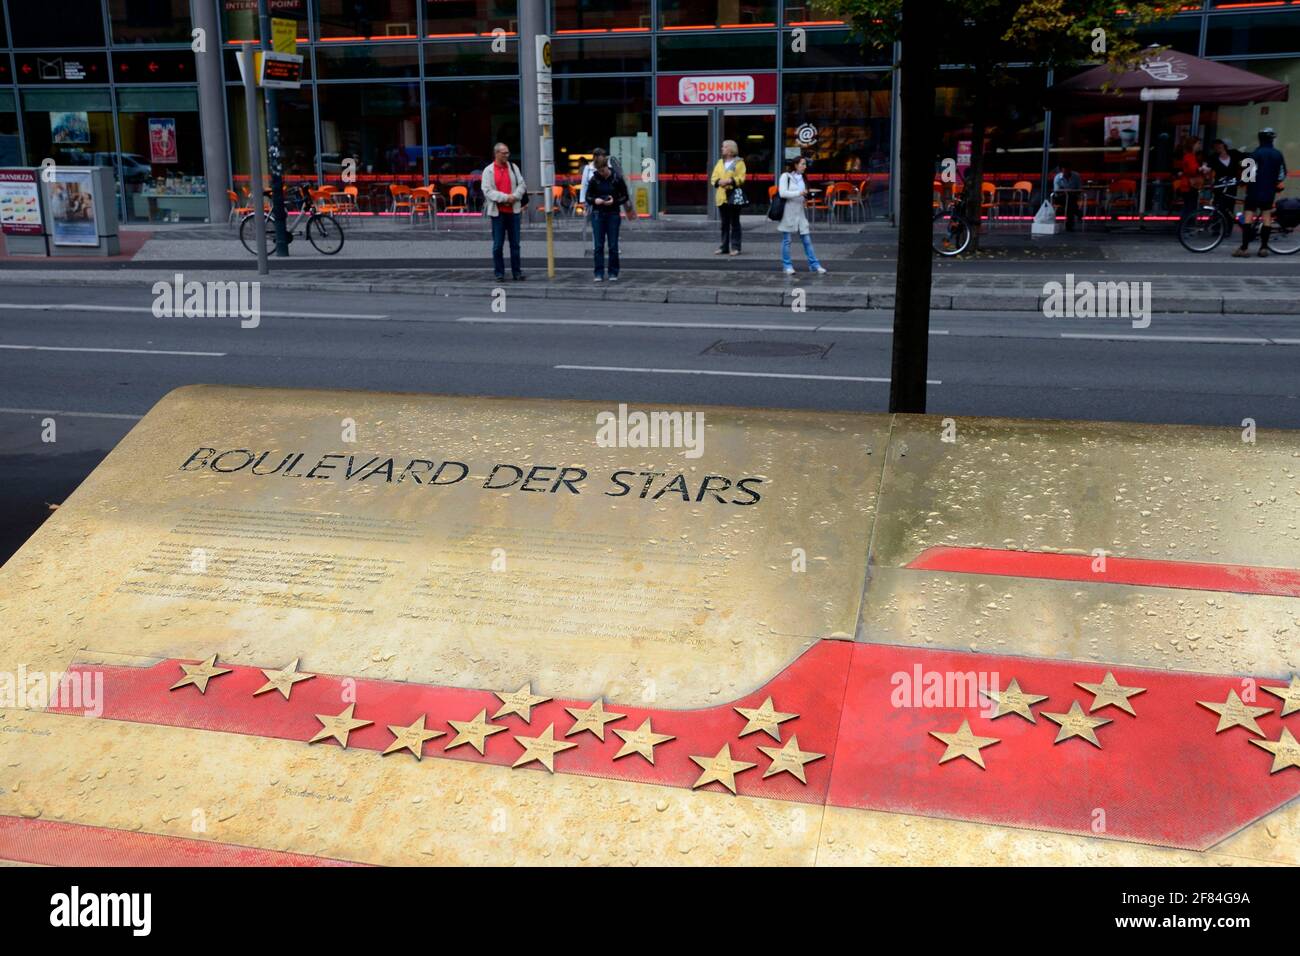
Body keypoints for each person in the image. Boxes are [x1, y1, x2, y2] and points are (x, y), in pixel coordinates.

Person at [1234, 127, 1288, 258]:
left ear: (1260, 139)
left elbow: (1247, 175)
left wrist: (1242, 182)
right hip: (1269, 191)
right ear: (1272, 139)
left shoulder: (1254, 154)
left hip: (1253, 191)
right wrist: (1275, 183)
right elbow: (1282, 173)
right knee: (1267, 218)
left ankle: (1244, 248)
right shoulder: (1278, 154)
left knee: (1248, 218)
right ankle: (1263, 248)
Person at [481, 142, 527, 281]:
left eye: (508, 152)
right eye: (504, 153)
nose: (507, 155)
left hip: (513, 212)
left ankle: (516, 272)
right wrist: (506, 197)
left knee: (515, 244)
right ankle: (499, 273)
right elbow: (487, 191)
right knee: (497, 245)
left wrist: (515, 197)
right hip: (498, 213)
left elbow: (522, 184)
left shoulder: (513, 167)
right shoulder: (488, 171)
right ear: (497, 154)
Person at [777, 155, 827, 276]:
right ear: (795, 165)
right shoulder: (785, 176)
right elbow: (782, 193)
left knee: (807, 239)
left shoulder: (803, 178)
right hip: (788, 212)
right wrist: (799, 192)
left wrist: (805, 196)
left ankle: (814, 264)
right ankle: (787, 265)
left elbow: (803, 194)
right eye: (802, 164)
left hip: (800, 212)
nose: (805, 166)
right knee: (787, 240)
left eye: (805, 164)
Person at [586, 156, 629, 281]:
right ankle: (598, 273)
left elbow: (625, 196)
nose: (601, 173)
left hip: (613, 214)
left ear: (607, 166)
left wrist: (614, 201)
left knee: (613, 245)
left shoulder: (617, 178)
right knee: (598, 246)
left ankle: (613, 272)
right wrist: (595, 200)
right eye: (599, 171)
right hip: (598, 213)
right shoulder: (594, 179)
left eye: (603, 170)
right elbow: (588, 196)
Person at [710, 139, 747, 256]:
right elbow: (713, 178)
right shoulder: (720, 162)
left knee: (735, 222)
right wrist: (719, 182)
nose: (722, 149)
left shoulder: (739, 163)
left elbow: (741, 178)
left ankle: (736, 247)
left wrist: (730, 180)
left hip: (733, 197)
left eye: (724, 147)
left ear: (731, 150)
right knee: (724, 223)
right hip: (721, 197)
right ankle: (724, 247)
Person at [1209, 138, 1244, 224]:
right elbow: (1210, 171)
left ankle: (1228, 227)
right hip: (1219, 185)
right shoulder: (1213, 158)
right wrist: (1211, 183)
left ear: (1224, 145)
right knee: (1218, 206)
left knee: (1230, 206)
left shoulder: (1234, 154)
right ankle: (1217, 227)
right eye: (1216, 146)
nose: (1218, 147)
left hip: (1232, 184)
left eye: (1220, 144)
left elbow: (1247, 157)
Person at [1173, 136, 1209, 216]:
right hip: (1189, 185)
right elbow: (1193, 170)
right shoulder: (1190, 156)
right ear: (1193, 145)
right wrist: (1203, 168)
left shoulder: (1189, 156)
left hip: (1187, 184)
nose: (1199, 145)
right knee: (1190, 207)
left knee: (1189, 206)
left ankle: (1184, 225)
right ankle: (1186, 225)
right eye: (1198, 143)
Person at [1052, 162, 1083, 230]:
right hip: (1060, 197)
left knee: (1070, 203)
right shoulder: (1057, 177)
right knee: (1070, 203)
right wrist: (1066, 192)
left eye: (1067, 171)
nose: (1066, 173)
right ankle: (1076, 211)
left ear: (1070, 170)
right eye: (1064, 171)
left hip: (1072, 196)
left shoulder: (1076, 176)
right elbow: (1056, 191)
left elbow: (1079, 189)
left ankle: (1072, 218)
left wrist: (1069, 191)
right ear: (1061, 171)